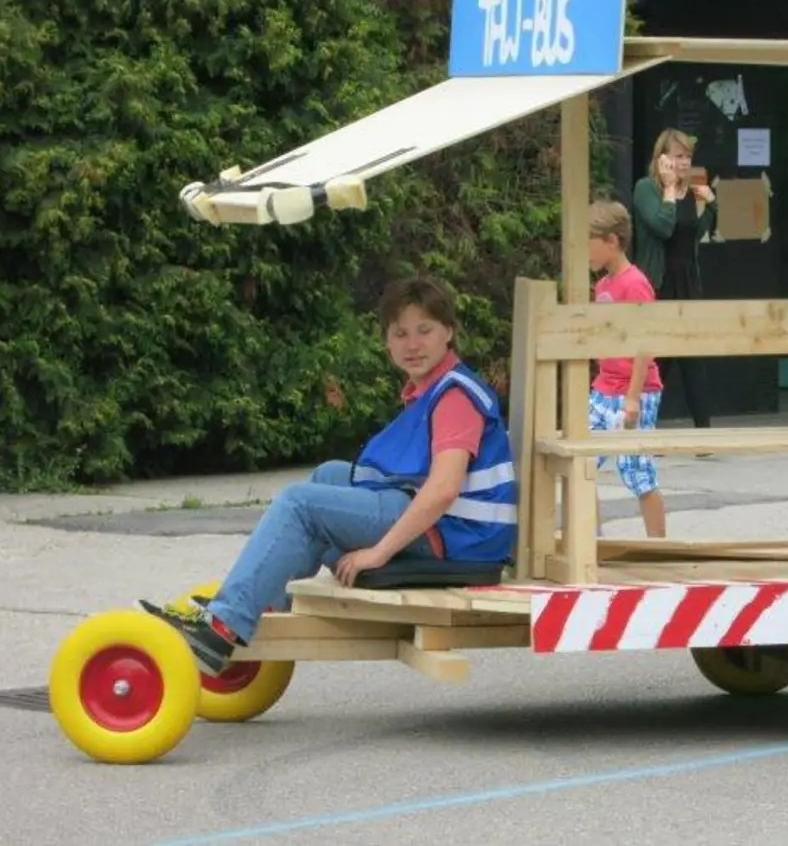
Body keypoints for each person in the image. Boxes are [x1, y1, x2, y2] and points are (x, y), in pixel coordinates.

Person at [139, 277, 518, 676]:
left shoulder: (455, 396)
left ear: (449, 333)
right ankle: (268, 599)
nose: (412, 344)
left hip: (459, 538)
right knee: (328, 477)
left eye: (424, 330)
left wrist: (378, 552)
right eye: (400, 333)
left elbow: (443, 489)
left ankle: (222, 626)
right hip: (448, 527)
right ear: (386, 342)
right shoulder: (430, 388)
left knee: (299, 503)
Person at [587, 199, 667, 537]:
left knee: (637, 471)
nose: (584, 253)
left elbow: (644, 341)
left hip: (635, 391)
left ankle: (660, 549)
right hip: (604, 388)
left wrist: (633, 399)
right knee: (581, 465)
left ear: (612, 241)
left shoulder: (634, 284)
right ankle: (592, 543)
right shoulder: (602, 286)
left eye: (588, 243)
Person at [632, 128, 717, 431]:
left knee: (694, 358)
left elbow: (696, 231)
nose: (685, 163)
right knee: (658, 359)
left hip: (687, 280)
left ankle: (703, 432)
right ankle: (642, 426)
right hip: (659, 281)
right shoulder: (646, 189)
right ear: (662, 158)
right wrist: (668, 190)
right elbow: (663, 227)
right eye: (679, 156)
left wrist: (710, 203)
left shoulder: (690, 189)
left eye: (688, 157)